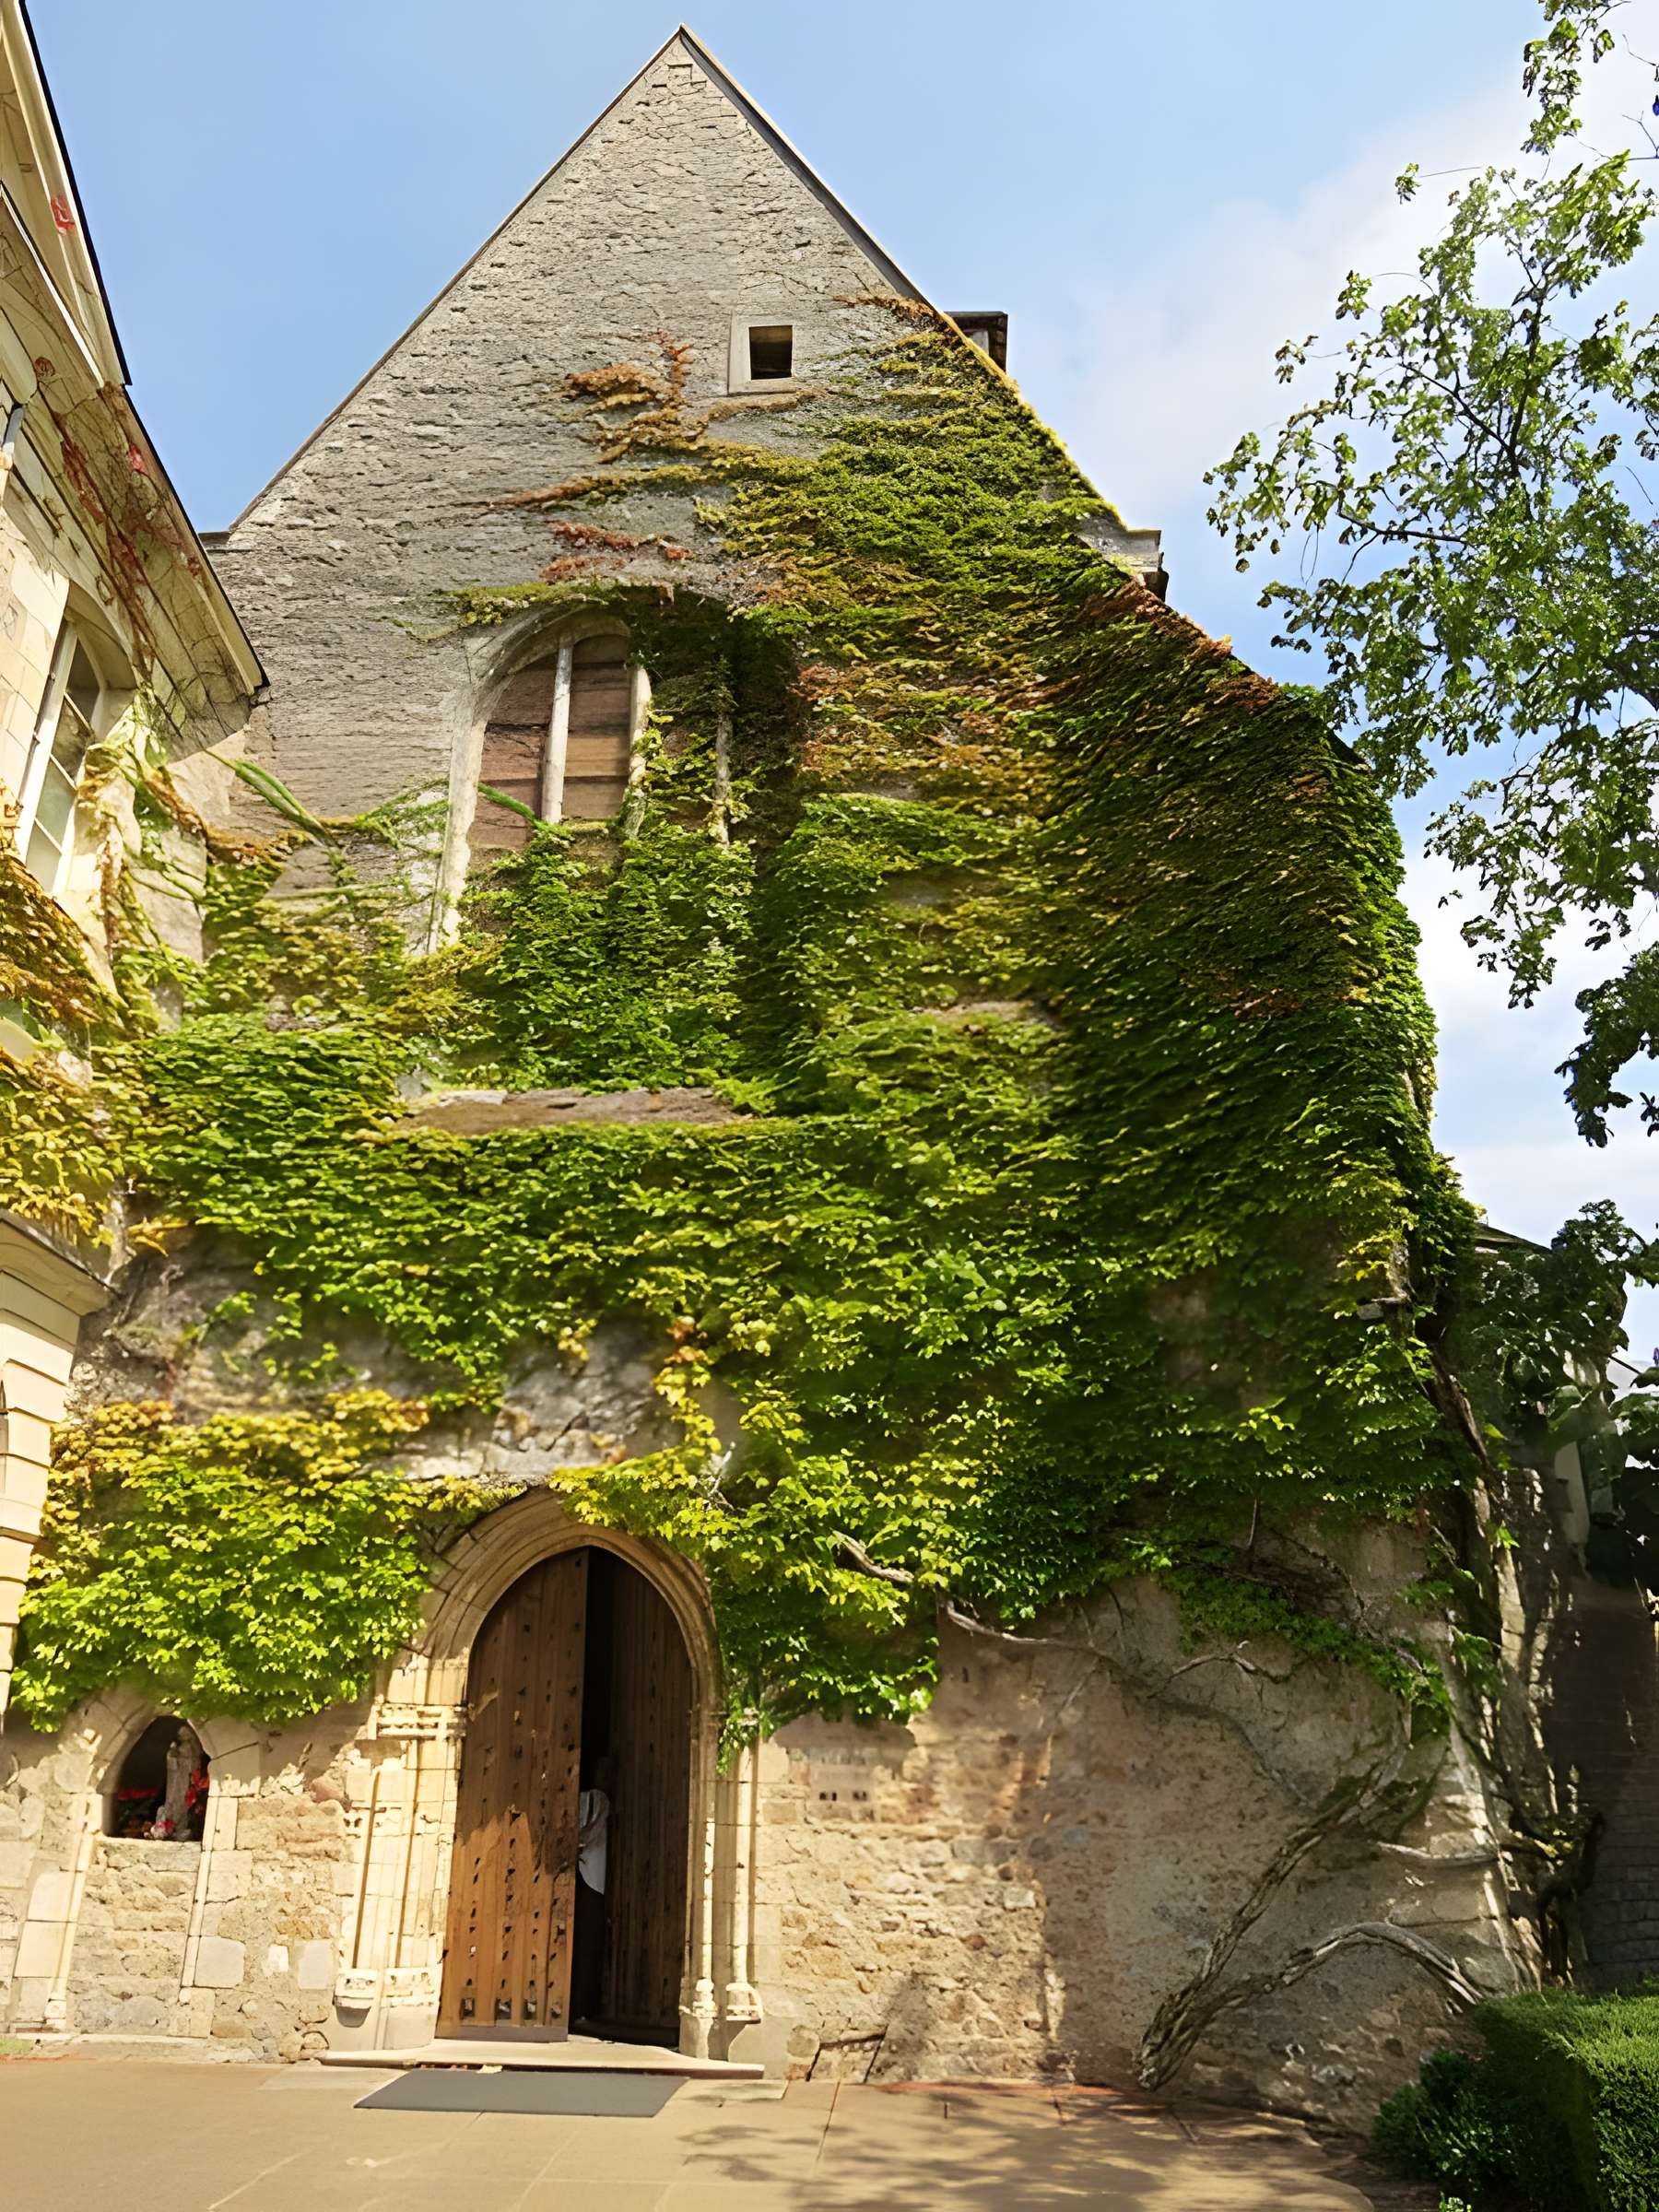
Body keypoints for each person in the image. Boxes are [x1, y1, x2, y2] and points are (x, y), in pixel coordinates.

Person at [571, 1754, 614, 2029]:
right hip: (584, 1877)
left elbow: (581, 1827)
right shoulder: (595, 1799)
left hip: (589, 1879)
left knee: (586, 1945)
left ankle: (579, 2007)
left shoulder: (597, 1800)